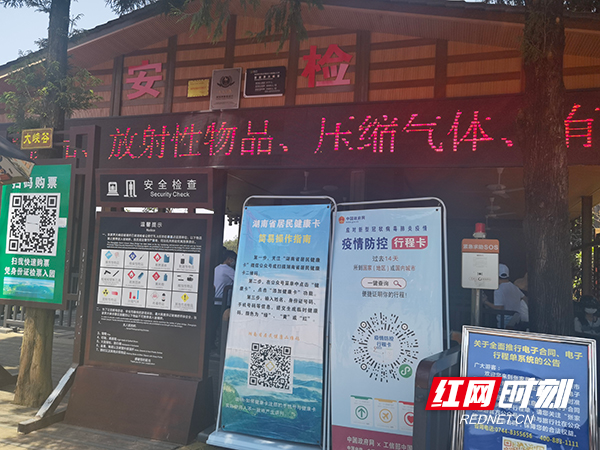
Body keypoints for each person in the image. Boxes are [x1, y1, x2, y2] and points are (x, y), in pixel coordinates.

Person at [208, 249, 236, 353]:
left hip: (215, 300)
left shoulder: (217, 268)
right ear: (229, 259)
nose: (234, 262)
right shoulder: (228, 270)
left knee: (214, 325)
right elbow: (239, 280)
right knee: (222, 325)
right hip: (223, 302)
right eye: (233, 259)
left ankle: (211, 345)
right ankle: (221, 346)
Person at [483, 263, 525, 328]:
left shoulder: (498, 290)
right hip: (515, 322)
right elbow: (524, 298)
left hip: (504, 324)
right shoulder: (514, 287)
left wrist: (485, 302)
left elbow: (499, 307)